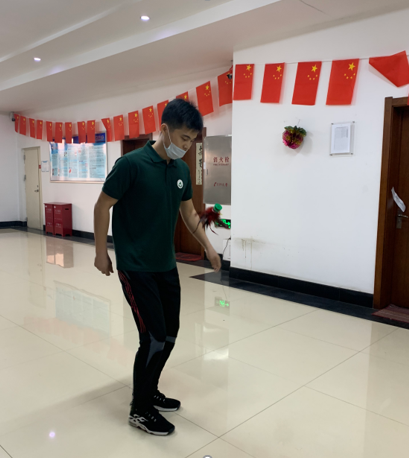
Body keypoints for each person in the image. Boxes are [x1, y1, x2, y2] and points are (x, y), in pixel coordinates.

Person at [93, 99, 221, 436]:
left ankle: (150, 390)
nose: (187, 146)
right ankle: (140, 409)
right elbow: (102, 206)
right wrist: (101, 252)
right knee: (152, 338)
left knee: (170, 335)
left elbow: (188, 213)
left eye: (192, 140)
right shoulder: (130, 164)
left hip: (165, 265)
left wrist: (208, 247)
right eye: (183, 138)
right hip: (136, 266)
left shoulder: (181, 170)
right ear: (164, 130)